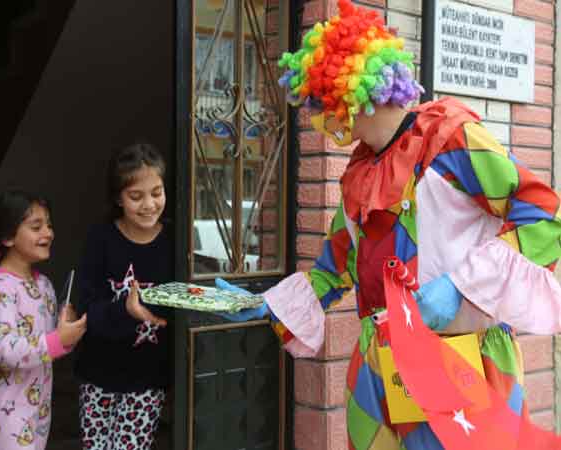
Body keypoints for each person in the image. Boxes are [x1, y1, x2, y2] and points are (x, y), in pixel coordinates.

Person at [216, 1, 561, 448]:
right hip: (380, 371)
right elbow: (332, 268)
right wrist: (269, 305)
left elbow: (544, 218)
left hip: (459, 359)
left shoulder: (450, 138)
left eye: (322, 103)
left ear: (354, 92)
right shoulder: (359, 173)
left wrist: (461, 287)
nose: (321, 120)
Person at [0, 190, 87, 450]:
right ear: (8, 237)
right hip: (2, 412)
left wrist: (69, 329)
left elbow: (54, 342)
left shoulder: (44, 285)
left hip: (37, 410)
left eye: (49, 225)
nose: (49, 233)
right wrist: (56, 341)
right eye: (36, 226)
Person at [75, 142, 172, 450]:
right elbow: (86, 310)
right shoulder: (100, 239)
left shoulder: (174, 241)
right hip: (97, 373)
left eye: (156, 193)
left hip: (146, 379)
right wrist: (126, 311)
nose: (149, 205)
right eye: (136, 196)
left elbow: (183, 302)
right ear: (118, 198)